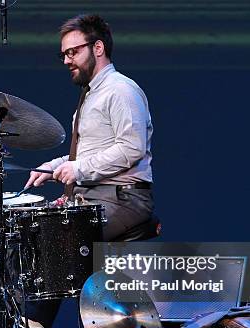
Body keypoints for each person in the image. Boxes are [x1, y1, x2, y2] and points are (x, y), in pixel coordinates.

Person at [25, 14, 155, 242]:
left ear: (98, 48)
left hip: (122, 198)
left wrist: (78, 169)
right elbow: (90, 153)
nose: (66, 60)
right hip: (93, 195)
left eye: (72, 52)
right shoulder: (92, 94)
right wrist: (53, 166)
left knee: (57, 243)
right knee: (31, 231)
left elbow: (132, 148)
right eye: (64, 54)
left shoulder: (121, 90)